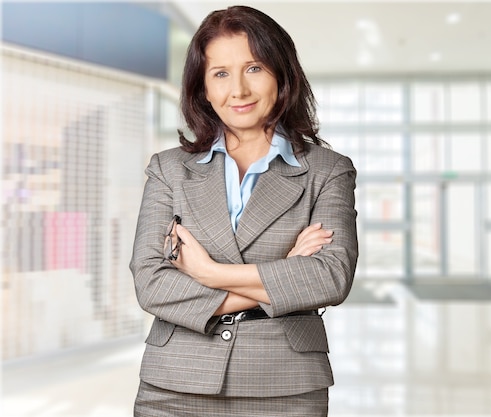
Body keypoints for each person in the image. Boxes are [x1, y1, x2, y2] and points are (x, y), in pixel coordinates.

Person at [129, 5, 358, 416]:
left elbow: (329, 277)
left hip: (285, 383)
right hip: (174, 382)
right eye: (220, 73)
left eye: (253, 69)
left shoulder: (327, 171)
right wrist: (283, 271)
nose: (238, 90)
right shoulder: (168, 170)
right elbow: (151, 284)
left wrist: (208, 272)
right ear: (202, 87)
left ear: (281, 74)